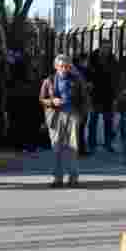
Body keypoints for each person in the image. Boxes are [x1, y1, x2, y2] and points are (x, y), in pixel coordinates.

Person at [40, 54, 88, 188]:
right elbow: (42, 99)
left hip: (72, 115)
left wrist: (81, 116)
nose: (64, 69)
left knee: (72, 148)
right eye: (61, 66)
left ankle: (73, 178)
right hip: (55, 116)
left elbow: (84, 99)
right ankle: (57, 178)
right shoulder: (49, 80)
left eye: (66, 66)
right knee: (57, 148)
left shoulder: (76, 80)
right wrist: (52, 101)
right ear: (56, 67)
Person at [87, 44, 120, 154]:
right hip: (95, 93)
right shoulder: (92, 58)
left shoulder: (112, 59)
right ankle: (92, 143)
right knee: (93, 119)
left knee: (108, 120)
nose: (106, 50)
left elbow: (116, 76)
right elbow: (88, 74)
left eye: (108, 48)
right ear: (100, 48)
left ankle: (108, 143)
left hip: (108, 93)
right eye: (105, 47)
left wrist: (115, 93)